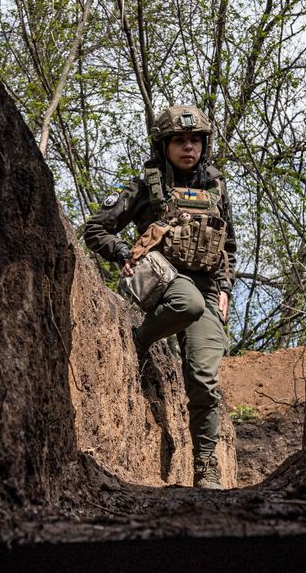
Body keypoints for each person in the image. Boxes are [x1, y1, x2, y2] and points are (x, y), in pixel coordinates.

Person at [83, 105, 237, 490]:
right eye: (180, 141)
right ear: (164, 145)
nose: (189, 147)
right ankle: (140, 340)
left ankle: (206, 467)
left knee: (204, 377)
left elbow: (228, 244)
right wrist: (124, 255)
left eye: (195, 140)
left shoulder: (216, 188)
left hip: (206, 285)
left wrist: (226, 289)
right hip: (161, 279)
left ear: (204, 144)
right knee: (189, 303)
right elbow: (95, 230)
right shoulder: (144, 188)